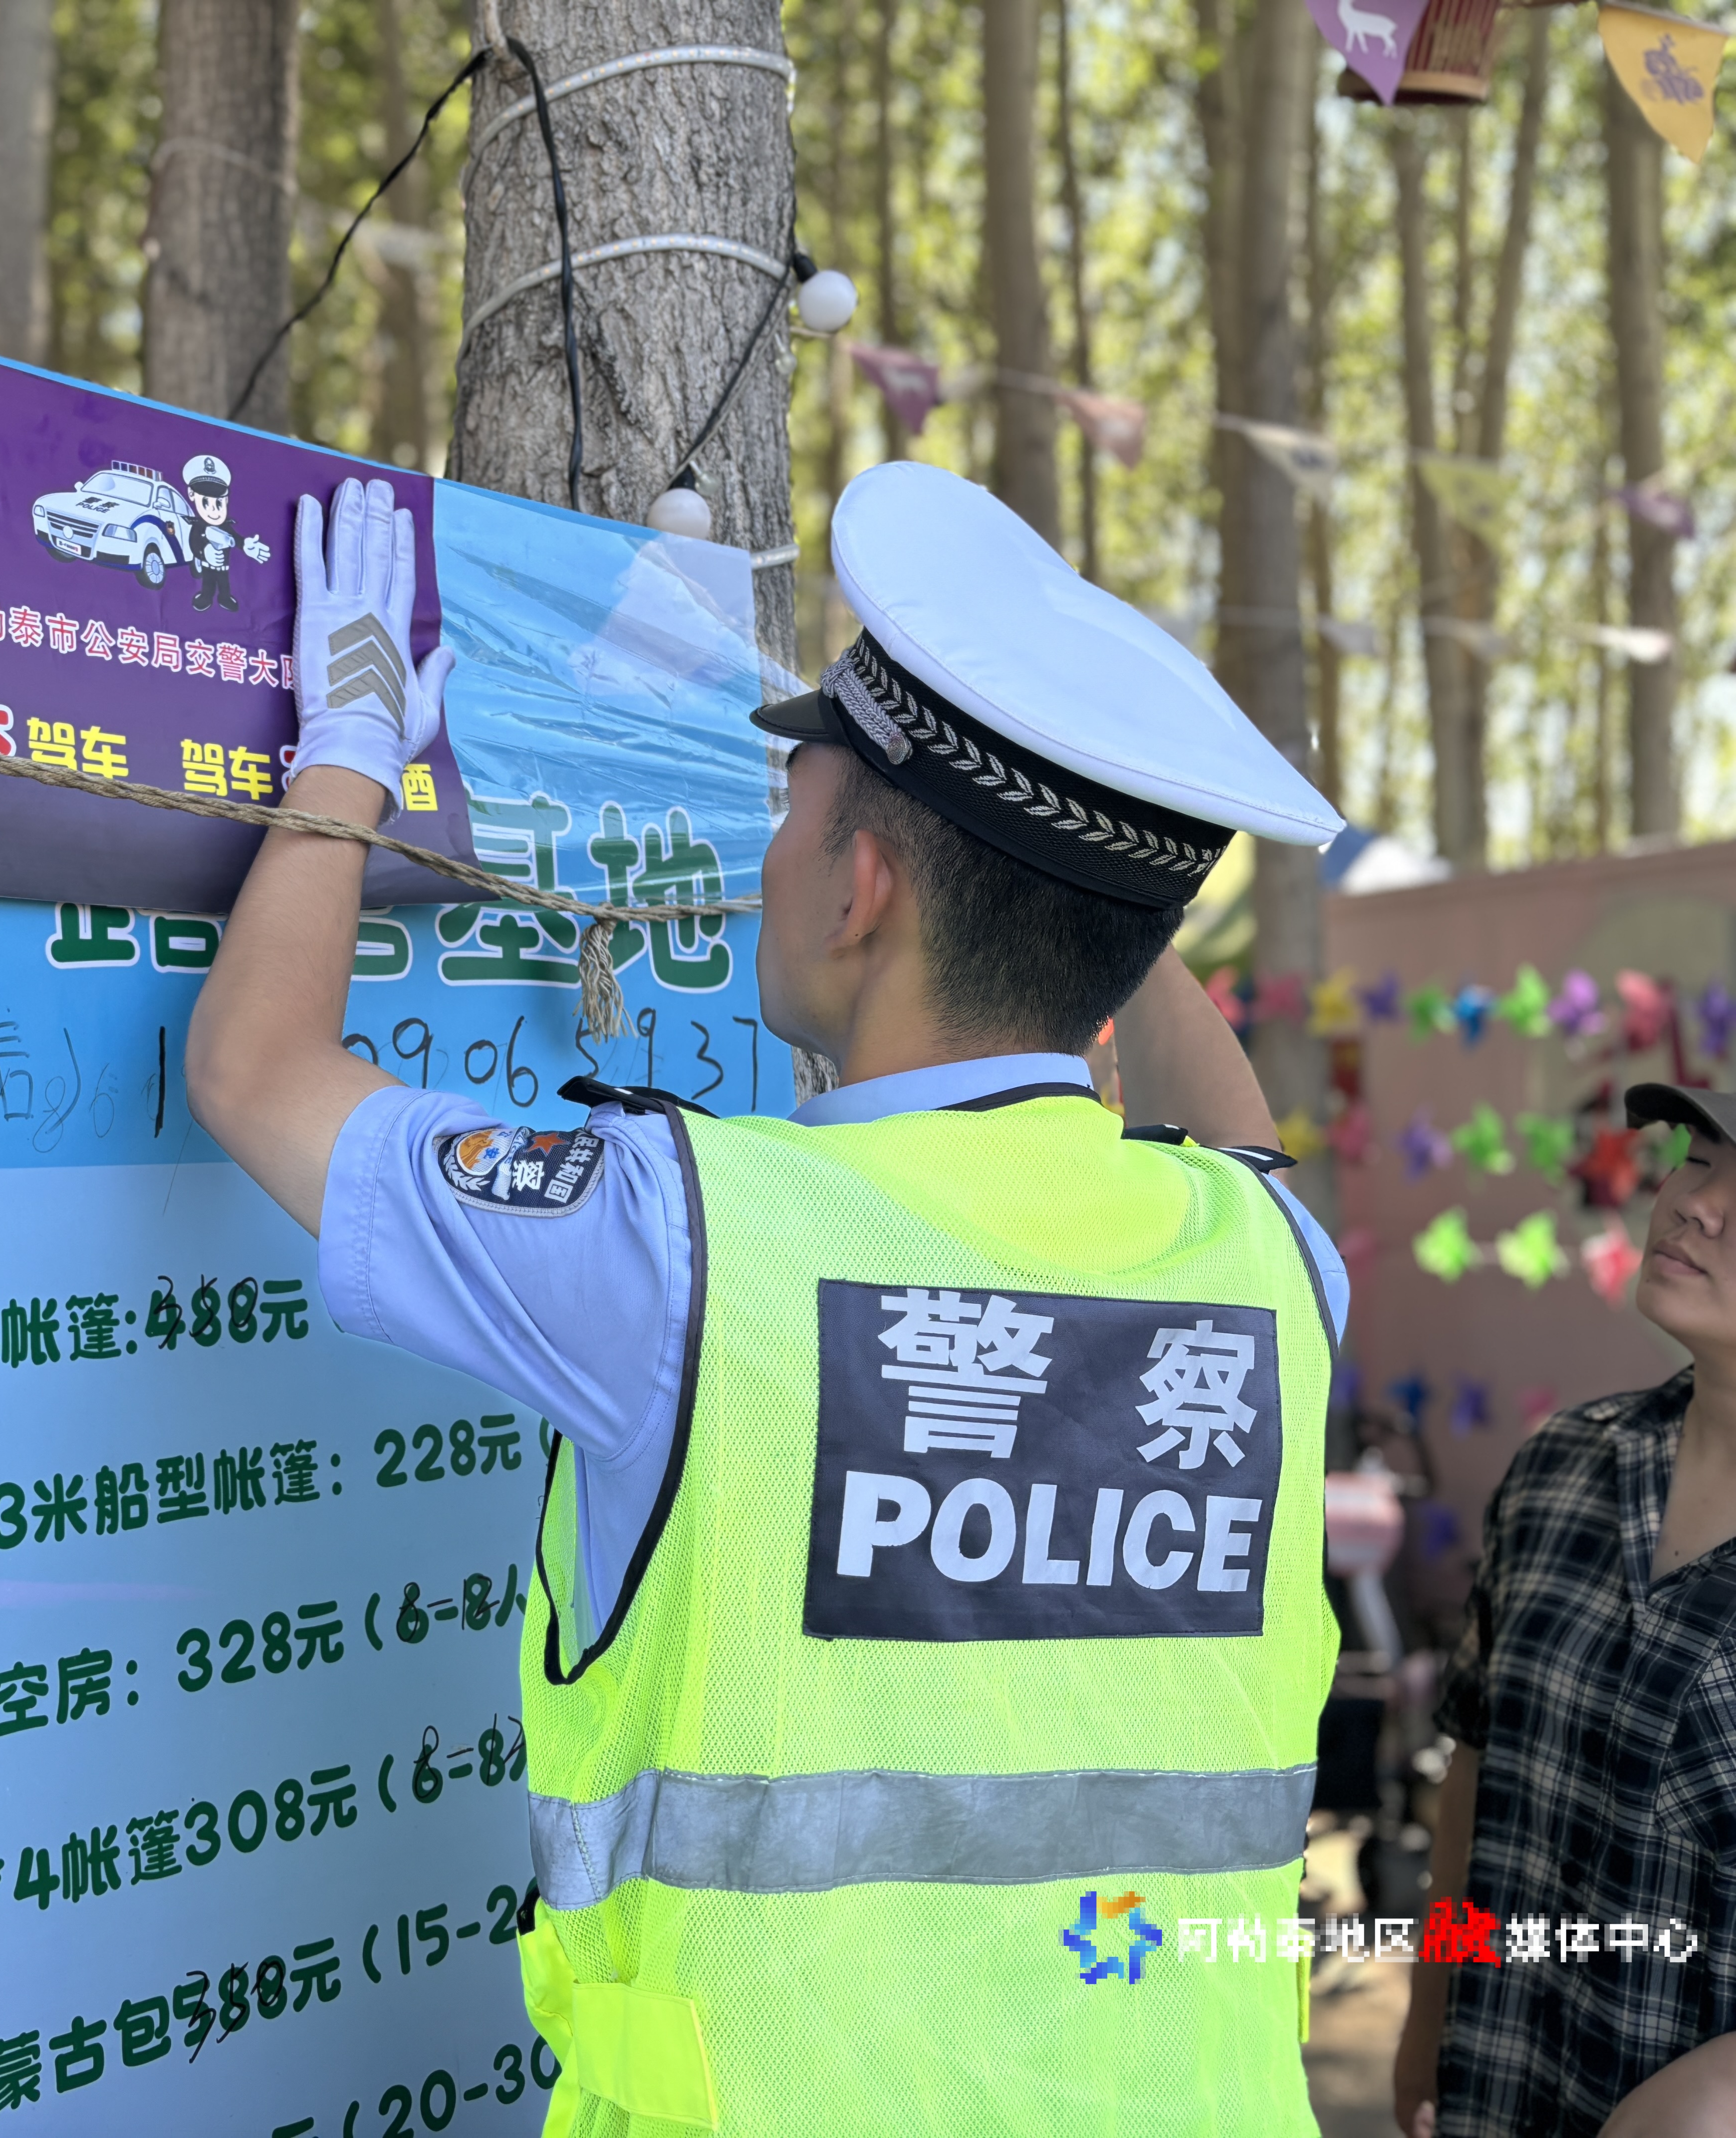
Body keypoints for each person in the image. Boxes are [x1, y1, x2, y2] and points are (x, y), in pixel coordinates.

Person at [188, 461, 1352, 2134]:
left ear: (858, 888)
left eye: (791, 810)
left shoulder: (682, 1244)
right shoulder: (1271, 1270)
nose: (772, 842)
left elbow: (255, 1070)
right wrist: (1090, 882)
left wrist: (348, 748)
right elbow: (1234, 1134)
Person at [1393, 1084, 1736, 2138]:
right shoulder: (1564, 1464)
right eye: (1700, 1158)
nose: (1695, 1202)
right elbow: (1478, 1766)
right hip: (1497, 2085)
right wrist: (1431, 2006)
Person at [183, 452, 244, 611]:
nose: (214, 510)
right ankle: (206, 597)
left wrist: (246, 545)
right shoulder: (198, 527)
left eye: (219, 503)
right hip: (207, 566)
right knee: (208, 584)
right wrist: (204, 553)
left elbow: (235, 539)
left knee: (224, 584)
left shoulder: (226, 527)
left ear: (227, 500)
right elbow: (194, 543)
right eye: (206, 502)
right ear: (191, 495)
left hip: (224, 567)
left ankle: (225, 598)